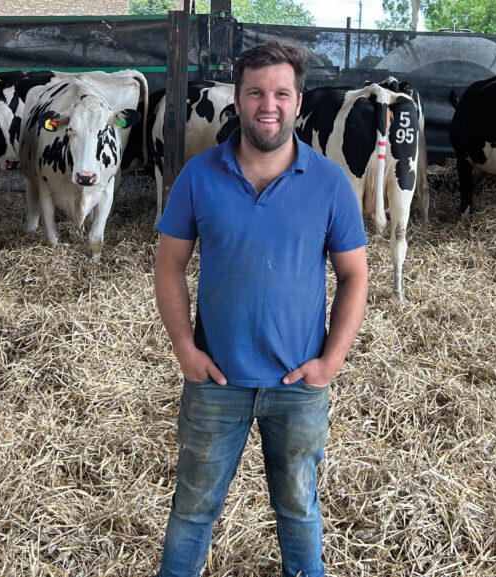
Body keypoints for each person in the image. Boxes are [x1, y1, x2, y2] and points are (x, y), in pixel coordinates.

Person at [152, 41, 369, 577]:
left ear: (298, 102)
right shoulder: (198, 176)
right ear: (238, 99)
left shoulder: (329, 182)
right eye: (255, 92)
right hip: (215, 383)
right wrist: (185, 348)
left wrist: (331, 362)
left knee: (298, 510)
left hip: (297, 386)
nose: (267, 105)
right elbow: (169, 265)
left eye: (280, 93)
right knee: (193, 510)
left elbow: (355, 274)